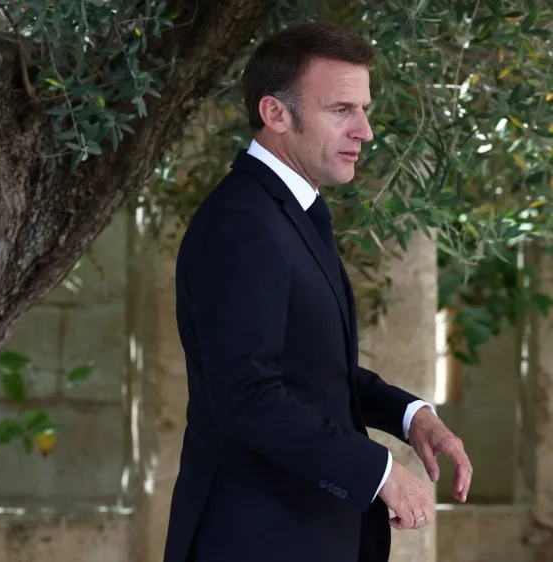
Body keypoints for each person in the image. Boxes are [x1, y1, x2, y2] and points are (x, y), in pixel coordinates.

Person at [163, 22, 474, 562]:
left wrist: (410, 415)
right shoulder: (242, 221)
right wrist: (377, 472)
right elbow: (247, 396)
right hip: (253, 538)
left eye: (364, 109)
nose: (366, 131)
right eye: (341, 110)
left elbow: (308, 368)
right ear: (275, 113)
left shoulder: (289, 211)